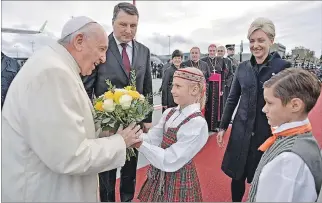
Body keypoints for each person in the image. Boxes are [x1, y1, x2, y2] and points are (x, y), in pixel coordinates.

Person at [1, 16, 143, 202]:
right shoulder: (53, 73)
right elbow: (70, 155)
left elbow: (69, 128)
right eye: (101, 49)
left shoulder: (56, 65)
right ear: (79, 41)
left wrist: (103, 132)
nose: (103, 58)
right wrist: (120, 142)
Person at [82, 2, 153, 202]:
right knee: (107, 173)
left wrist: (147, 118)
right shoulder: (101, 49)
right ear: (113, 23)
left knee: (130, 169)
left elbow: (146, 86)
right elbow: (87, 89)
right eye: (123, 24)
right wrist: (91, 122)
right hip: (107, 126)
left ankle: (127, 199)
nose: (128, 30)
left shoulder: (144, 51)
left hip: (133, 124)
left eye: (133, 26)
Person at [216, 17, 291, 202]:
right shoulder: (242, 68)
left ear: (271, 41)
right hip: (241, 131)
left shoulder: (283, 68)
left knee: (265, 178)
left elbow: (290, 104)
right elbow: (232, 98)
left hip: (267, 133)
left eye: (261, 40)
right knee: (237, 176)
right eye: (252, 41)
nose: (256, 45)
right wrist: (223, 126)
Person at [248, 68, 322, 202]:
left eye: (269, 103)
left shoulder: (287, 160)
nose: (264, 109)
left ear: (295, 105)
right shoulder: (302, 140)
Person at [136, 67, 209, 202]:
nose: (172, 90)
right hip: (159, 174)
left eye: (178, 86)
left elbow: (171, 159)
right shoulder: (170, 112)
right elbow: (153, 139)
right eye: (172, 85)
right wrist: (134, 135)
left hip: (179, 179)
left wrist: (139, 144)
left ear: (194, 90)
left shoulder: (196, 123)